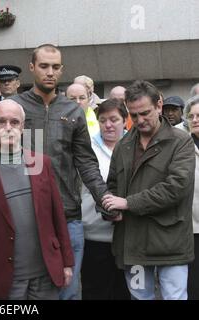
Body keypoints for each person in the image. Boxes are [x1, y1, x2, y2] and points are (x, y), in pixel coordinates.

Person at [10, 44, 112, 300]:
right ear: (32, 67)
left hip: (67, 216)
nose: (50, 72)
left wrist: (105, 199)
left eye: (55, 67)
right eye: (44, 66)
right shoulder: (14, 107)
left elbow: (86, 163)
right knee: (25, 292)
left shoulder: (73, 110)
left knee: (69, 290)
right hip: (24, 215)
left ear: (62, 70)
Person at [0, 99, 74, 300]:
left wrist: (66, 261)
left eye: (14, 122)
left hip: (46, 275)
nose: (8, 128)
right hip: (2, 279)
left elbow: (57, 216)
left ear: (23, 127)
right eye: (1, 122)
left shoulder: (42, 163)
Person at [102, 80, 195, 300]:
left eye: (145, 113)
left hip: (170, 243)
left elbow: (176, 187)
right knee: (140, 297)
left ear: (159, 104)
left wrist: (128, 203)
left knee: (175, 297)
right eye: (133, 115)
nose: (139, 120)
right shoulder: (123, 145)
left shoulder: (181, 141)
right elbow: (112, 185)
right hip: (133, 244)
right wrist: (108, 208)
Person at [80, 99, 130, 300]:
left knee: (126, 293)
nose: (108, 125)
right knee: (96, 292)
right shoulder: (86, 148)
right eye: (103, 120)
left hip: (129, 237)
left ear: (125, 121)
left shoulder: (136, 146)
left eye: (114, 119)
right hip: (94, 236)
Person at [183, 95, 199, 300]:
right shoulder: (181, 146)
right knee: (193, 285)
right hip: (191, 229)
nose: (195, 120)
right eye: (191, 116)